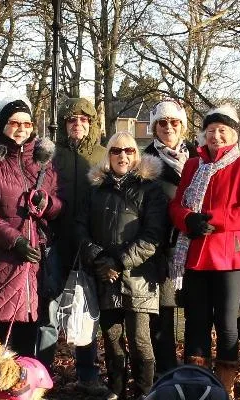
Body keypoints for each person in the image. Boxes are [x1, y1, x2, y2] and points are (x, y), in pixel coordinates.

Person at [169, 105, 240, 399]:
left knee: (226, 322)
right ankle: (197, 384)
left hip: (228, 255)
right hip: (196, 253)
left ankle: (225, 387)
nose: (216, 136)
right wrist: (187, 219)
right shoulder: (192, 165)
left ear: (233, 134)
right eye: (211, 131)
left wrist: (212, 219)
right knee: (196, 322)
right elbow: (177, 205)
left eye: (222, 131)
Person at [0, 95, 62, 362]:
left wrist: (48, 203)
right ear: (2, 125)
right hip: (3, 258)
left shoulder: (43, 162)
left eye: (27, 123)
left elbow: (60, 204)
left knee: (27, 329)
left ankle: (21, 388)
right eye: (14, 122)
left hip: (35, 262)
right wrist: (15, 241)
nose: (22, 128)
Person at [76, 131, 167, 399]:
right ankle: (116, 392)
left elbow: (153, 236)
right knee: (112, 341)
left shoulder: (150, 190)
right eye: (116, 151)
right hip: (105, 276)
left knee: (140, 342)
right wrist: (98, 258)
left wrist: (120, 260)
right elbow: (80, 228)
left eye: (128, 151)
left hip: (138, 276)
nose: (122, 156)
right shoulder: (94, 190)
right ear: (108, 155)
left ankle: (144, 393)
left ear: (136, 155)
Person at [44, 97, 107, 394]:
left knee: (85, 308)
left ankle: (87, 374)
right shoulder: (51, 155)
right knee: (48, 310)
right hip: (56, 241)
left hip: (90, 243)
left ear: (91, 123)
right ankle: (42, 374)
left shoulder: (103, 156)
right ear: (64, 124)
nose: (77, 124)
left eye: (83, 120)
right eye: (71, 120)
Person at [141, 99, 196, 377]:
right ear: (154, 127)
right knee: (163, 315)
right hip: (162, 248)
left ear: (182, 126)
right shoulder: (145, 162)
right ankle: (166, 372)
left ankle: (192, 371)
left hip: (196, 245)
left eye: (174, 122)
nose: (168, 127)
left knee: (194, 313)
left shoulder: (199, 156)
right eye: (162, 122)